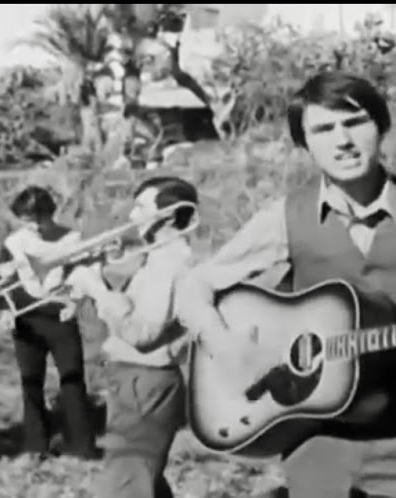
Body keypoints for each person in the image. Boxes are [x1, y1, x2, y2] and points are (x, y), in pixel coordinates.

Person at [177, 70, 396, 498]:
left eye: (355, 122)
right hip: (317, 441)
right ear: (305, 143)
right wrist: (228, 348)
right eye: (324, 129)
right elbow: (195, 286)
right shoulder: (284, 216)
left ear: (382, 126)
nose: (343, 141)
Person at [65, 176, 198, 498]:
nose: (132, 215)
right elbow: (133, 311)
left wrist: (96, 288)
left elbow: (142, 333)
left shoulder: (170, 262)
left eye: (140, 207)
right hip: (134, 379)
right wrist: (98, 278)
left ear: (168, 215)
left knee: (126, 481)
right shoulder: (155, 256)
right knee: (139, 476)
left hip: (145, 381)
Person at [0, 186, 98, 461]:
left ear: (49, 213)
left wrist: (75, 302)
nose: (33, 227)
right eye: (26, 221)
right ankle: (35, 445)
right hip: (27, 319)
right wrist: (5, 310)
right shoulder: (13, 242)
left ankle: (82, 446)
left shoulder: (72, 238)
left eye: (37, 219)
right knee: (31, 382)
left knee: (72, 380)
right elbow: (0, 282)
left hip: (60, 318)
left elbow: (84, 274)